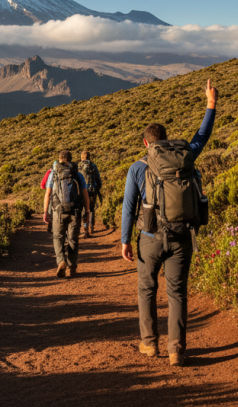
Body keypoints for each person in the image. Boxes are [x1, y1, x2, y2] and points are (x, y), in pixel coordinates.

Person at [120, 79, 217, 367]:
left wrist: (125, 240)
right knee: (177, 292)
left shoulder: (138, 167)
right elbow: (202, 135)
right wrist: (211, 104)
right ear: (165, 140)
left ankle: (149, 344)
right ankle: (177, 350)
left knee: (147, 288)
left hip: (150, 237)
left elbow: (128, 207)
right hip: (182, 234)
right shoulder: (185, 158)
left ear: (146, 143)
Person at [43, 151, 91, 278]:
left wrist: (46, 212)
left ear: (59, 160)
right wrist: (87, 212)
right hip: (75, 211)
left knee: (58, 237)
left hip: (58, 211)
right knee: (73, 239)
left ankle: (61, 261)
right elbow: (85, 194)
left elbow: (47, 194)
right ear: (71, 160)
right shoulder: (77, 174)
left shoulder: (53, 174)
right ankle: (73, 267)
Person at [78, 151, 103, 237]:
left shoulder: (78, 166)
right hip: (92, 190)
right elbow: (98, 178)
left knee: (84, 210)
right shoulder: (93, 166)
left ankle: (85, 230)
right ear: (89, 157)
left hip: (82, 191)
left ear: (82, 157)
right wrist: (97, 188)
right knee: (91, 209)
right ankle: (91, 226)